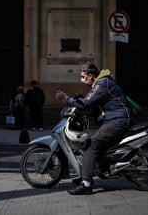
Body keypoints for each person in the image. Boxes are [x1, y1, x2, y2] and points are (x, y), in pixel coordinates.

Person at [55, 62, 133, 195]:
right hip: (115, 119)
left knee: (91, 145)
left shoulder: (102, 83)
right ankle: (88, 171)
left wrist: (66, 98)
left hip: (117, 120)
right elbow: (89, 100)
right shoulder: (100, 84)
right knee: (99, 146)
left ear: (91, 76)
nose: (82, 79)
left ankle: (87, 185)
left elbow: (86, 103)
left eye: (83, 76)